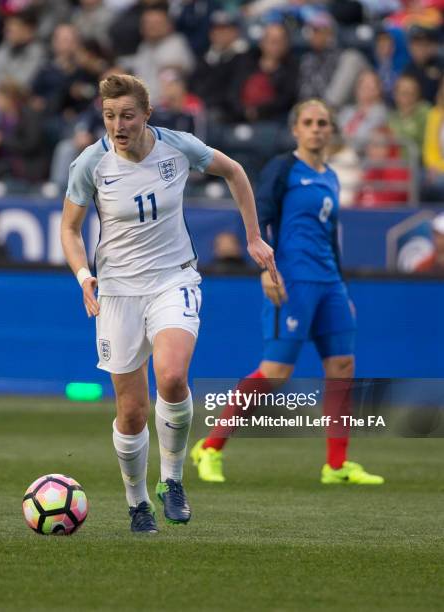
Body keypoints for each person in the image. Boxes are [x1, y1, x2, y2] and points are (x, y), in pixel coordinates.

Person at [60, 74, 277, 533]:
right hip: (118, 293)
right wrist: (83, 276)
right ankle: (137, 502)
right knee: (132, 410)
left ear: (147, 115)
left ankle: (172, 480)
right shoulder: (90, 163)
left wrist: (253, 236)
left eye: (127, 115)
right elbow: (69, 228)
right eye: (110, 116)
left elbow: (235, 171)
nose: (118, 125)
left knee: (173, 376)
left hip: (172, 279)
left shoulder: (177, 147)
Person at [191, 99, 384, 486]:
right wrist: (265, 269)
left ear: (331, 130)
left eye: (323, 123)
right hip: (291, 282)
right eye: (309, 122)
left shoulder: (330, 176)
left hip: (329, 284)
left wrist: (342, 287)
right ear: (296, 129)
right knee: (276, 373)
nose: (316, 128)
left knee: (342, 368)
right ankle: (209, 448)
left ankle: (337, 465)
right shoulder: (283, 169)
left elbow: (330, 239)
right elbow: (258, 215)